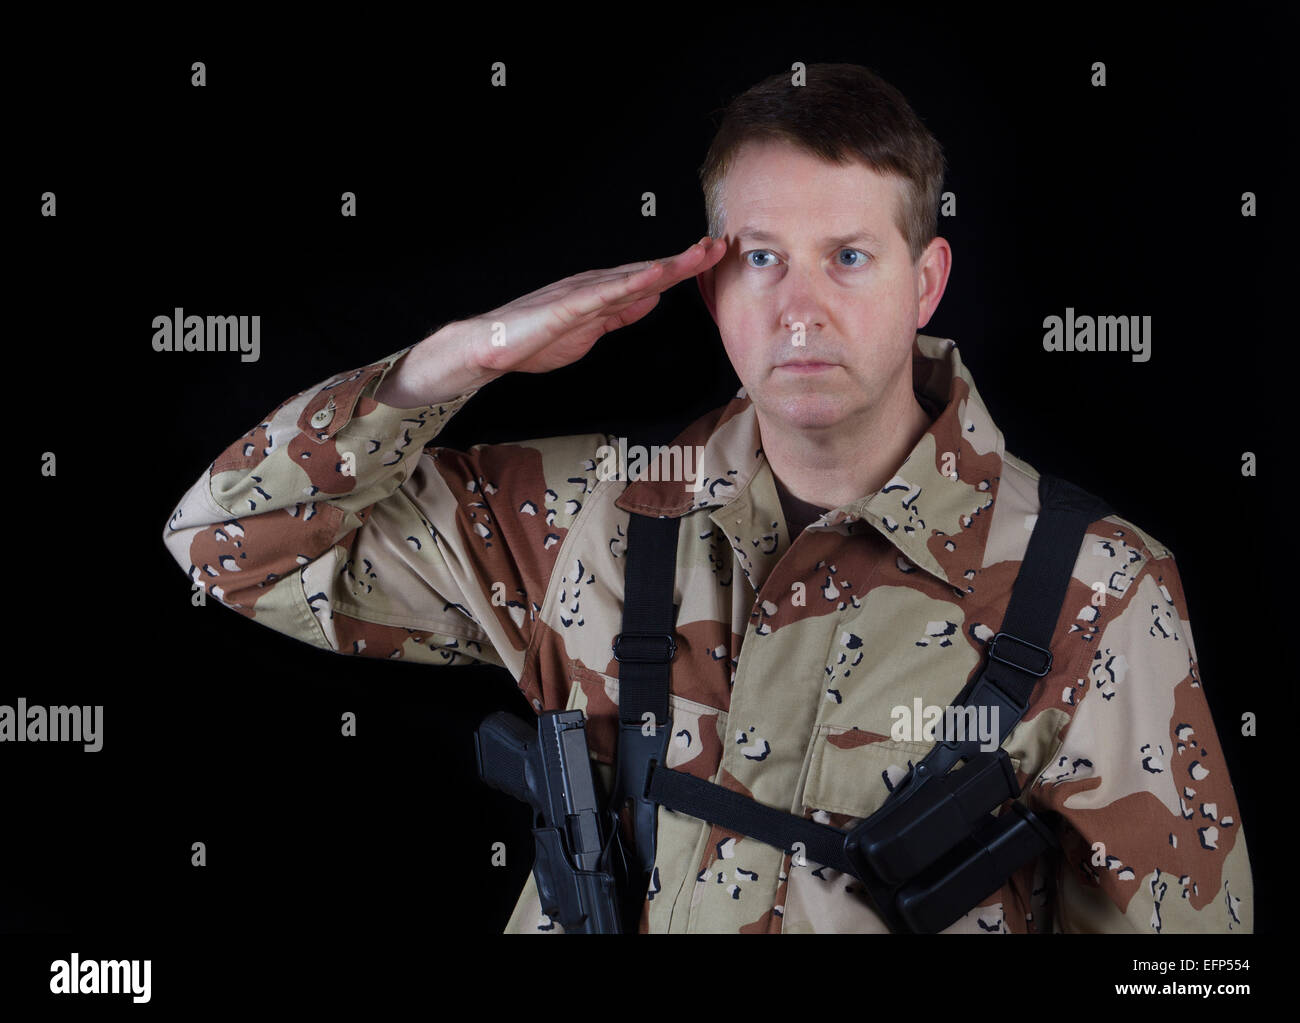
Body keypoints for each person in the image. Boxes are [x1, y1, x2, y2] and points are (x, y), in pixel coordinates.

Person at [161, 63, 1252, 933]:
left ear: (926, 281)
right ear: (708, 281)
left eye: (851, 256)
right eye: (762, 256)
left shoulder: (1094, 586)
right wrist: (460, 359)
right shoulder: (592, 512)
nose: (801, 310)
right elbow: (225, 542)